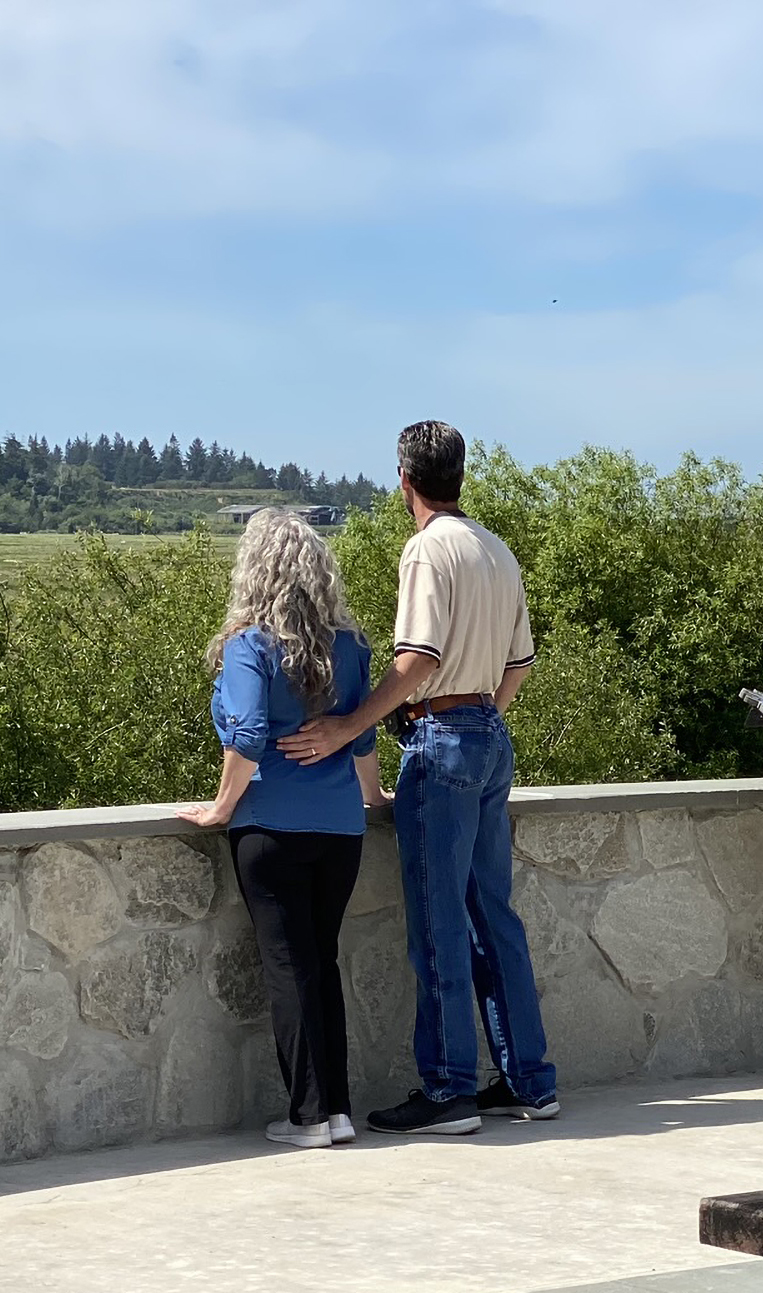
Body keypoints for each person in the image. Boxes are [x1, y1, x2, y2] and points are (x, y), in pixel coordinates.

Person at [279, 419, 557, 1136]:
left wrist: (348, 726)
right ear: (459, 474)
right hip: (490, 736)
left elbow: (418, 659)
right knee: (495, 916)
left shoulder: (427, 550)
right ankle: (529, 1080)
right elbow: (520, 663)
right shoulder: (497, 549)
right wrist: (482, 718)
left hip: (444, 740)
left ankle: (448, 1089)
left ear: (404, 479)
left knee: (438, 923)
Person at [176, 508, 389, 1150]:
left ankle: (308, 1117)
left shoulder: (249, 647)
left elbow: (245, 734)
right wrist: (375, 797)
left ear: (254, 571)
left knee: (287, 967)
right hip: (341, 831)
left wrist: (220, 808)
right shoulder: (350, 647)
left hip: (270, 826)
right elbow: (362, 737)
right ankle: (338, 1111)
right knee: (320, 962)